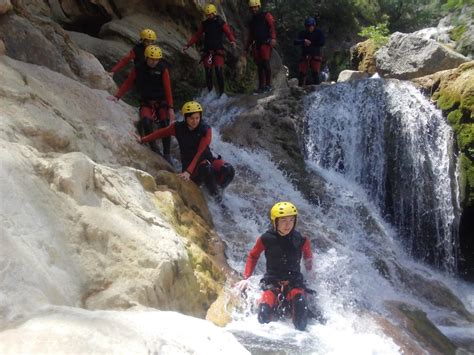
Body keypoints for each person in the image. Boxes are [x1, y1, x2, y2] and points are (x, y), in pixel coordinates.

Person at [236, 202, 313, 331]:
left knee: (301, 323)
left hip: (294, 283)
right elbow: (253, 256)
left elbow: (308, 258)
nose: (288, 225)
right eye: (283, 221)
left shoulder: (301, 239)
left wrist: (311, 276)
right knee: (263, 318)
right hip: (272, 283)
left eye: (291, 220)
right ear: (275, 221)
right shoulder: (266, 238)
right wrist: (246, 277)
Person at [134, 101, 234, 196]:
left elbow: (200, 151)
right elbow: (160, 133)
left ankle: (218, 190)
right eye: (191, 118)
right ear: (185, 118)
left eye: (197, 118)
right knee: (207, 168)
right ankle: (216, 198)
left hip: (205, 158)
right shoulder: (178, 128)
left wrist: (189, 172)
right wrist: (143, 139)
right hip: (192, 166)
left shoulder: (205, 129)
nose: (195, 121)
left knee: (228, 170)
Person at [108, 45, 175, 161]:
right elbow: (128, 82)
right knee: (146, 121)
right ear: (146, 57)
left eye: (156, 60)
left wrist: (171, 108)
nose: (154, 62)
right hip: (146, 101)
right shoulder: (138, 68)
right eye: (152, 59)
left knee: (165, 123)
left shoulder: (163, 69)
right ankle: (154, 147)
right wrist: (117, 96)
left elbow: (168, 88)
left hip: (161, 101)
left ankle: (167, 153)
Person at [182, 3, 237, 96]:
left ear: (214, 13)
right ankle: (210, 91)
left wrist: (232, 41)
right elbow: (197, 35)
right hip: (208, 52)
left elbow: (228, 32)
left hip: (218, 51)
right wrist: (188, 45)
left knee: (218, 71)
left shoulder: (220, 22)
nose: (209, 16)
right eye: (207, 15)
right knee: (208, 72)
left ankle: (222, 92)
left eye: (210, 14)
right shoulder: (205, 24)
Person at [245, 0, 276, 94]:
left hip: (266, 43)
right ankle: (261, 86)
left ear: (259, 6)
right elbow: (250, 35)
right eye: (252, 8)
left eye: (255, 7)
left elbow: (272, 27)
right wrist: (246, 47)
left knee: (266, 63)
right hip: (257, 44)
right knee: (259, 65)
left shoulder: (266, 15)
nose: (254, 9)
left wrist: (273, 38)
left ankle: (268, 85)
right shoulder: (252, 20)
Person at [293, 17, 325, 86]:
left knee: (315, 72)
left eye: (311, 26)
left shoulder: (319, 32)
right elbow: (295, 41)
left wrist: (311, 43)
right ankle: (300, 89)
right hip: (305, 54)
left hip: (315, 54)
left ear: (314, 26)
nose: (310, 28)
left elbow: (322, 42)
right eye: (308, 26)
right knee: (302, 73)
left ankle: (317, 88)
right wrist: (303, 41)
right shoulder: (303, 33)